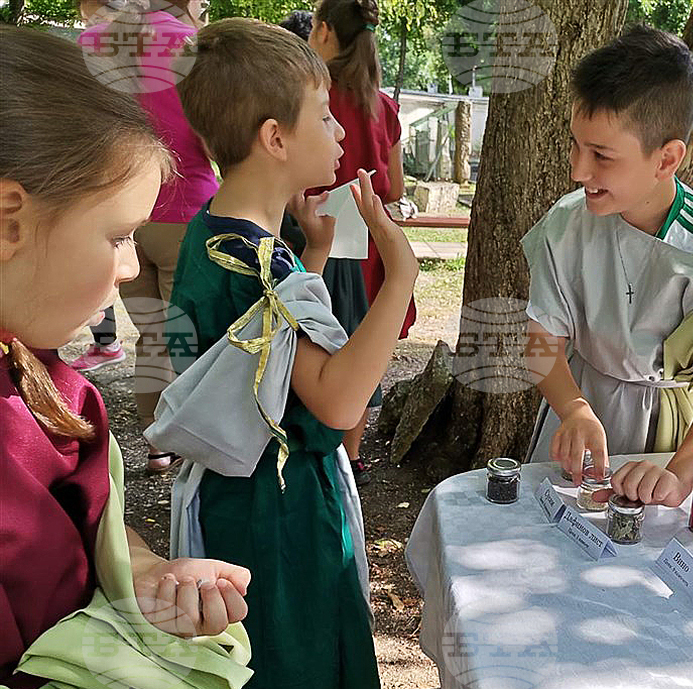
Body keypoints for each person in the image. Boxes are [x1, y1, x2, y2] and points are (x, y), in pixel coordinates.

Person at [168, 18, 417, 687]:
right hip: (276, 513)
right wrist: (401, 280)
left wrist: (310, 252)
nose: (339, 132)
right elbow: (335, 399)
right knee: (292, 658)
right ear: (275, 138)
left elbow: (273, 362)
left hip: (233, 490)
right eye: (323, 117)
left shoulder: (213, 234)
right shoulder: (257, 268)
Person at [0, 25, 251, 688]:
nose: (131, 265)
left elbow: (90, 533)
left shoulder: (46, 384)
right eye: (116, 235)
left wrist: (142, 572)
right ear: (8, 221)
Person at [522, 25, 693, 506]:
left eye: (601, 155)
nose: (579, 170)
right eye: (575, 145)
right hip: (578, 404)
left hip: (666, 434)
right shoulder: (566, 223)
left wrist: (680, 472)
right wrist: (573, 408)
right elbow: (541, 340)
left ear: (667, 159)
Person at [78, 0, 217, 474]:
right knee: (188, 332)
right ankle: (194, 439)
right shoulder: (187, 43)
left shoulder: (91, 44)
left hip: (122, 213)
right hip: (189, 206)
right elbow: (209, 130)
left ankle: (156, 442)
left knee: (152, 335)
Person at [308, 0, 415, 485]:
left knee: (316, 338)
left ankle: (318, 447)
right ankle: (352, 457)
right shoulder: (383, 105)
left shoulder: (314, 96)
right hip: (371, 244)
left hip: (316, 235)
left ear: (326, 30)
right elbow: (391, 185)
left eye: (313, 23)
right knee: (366, 340)